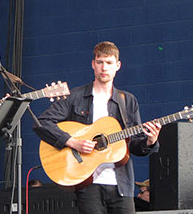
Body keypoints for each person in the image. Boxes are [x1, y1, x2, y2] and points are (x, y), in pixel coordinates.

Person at [33, 41, 161, 214]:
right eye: (100, 62)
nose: (104, 68)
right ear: (93, 64)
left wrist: (150, 141)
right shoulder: (76, 96)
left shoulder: (128, 101)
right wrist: (72, 142)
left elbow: (133, 146)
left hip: (121, 185)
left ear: (118, 66)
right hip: (88, 183)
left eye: (109, 63)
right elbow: (41, 122)